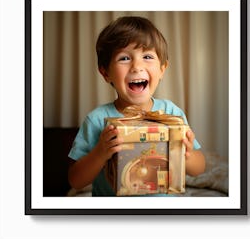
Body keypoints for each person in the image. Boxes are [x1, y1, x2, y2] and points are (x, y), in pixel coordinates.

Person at [68, 16, 205, 196]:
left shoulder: (171, 113)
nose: (137, 66)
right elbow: (76, 181)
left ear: (162, 69)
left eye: (147, 56)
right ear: (105, 73)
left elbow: (199, 169)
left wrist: (186, 152)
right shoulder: (97, 120)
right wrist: (100, 152)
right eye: (124, 58)